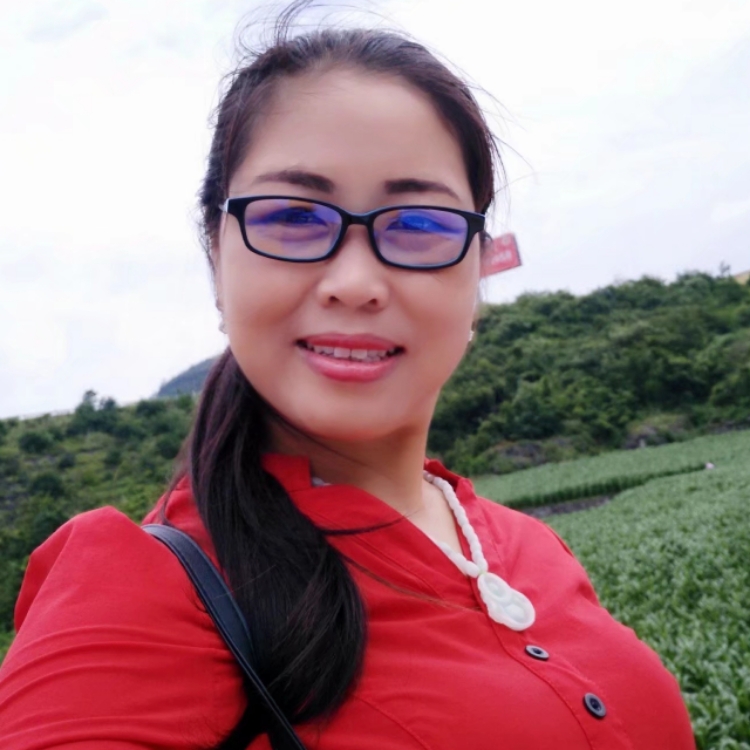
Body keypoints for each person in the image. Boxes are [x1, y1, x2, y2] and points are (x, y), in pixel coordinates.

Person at [0, 6, 696, 749]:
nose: (356, 283)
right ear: (216, 254)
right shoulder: (138, 599)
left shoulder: (530, 547)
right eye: (294, 217)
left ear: (477, 269)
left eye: (420, 224)